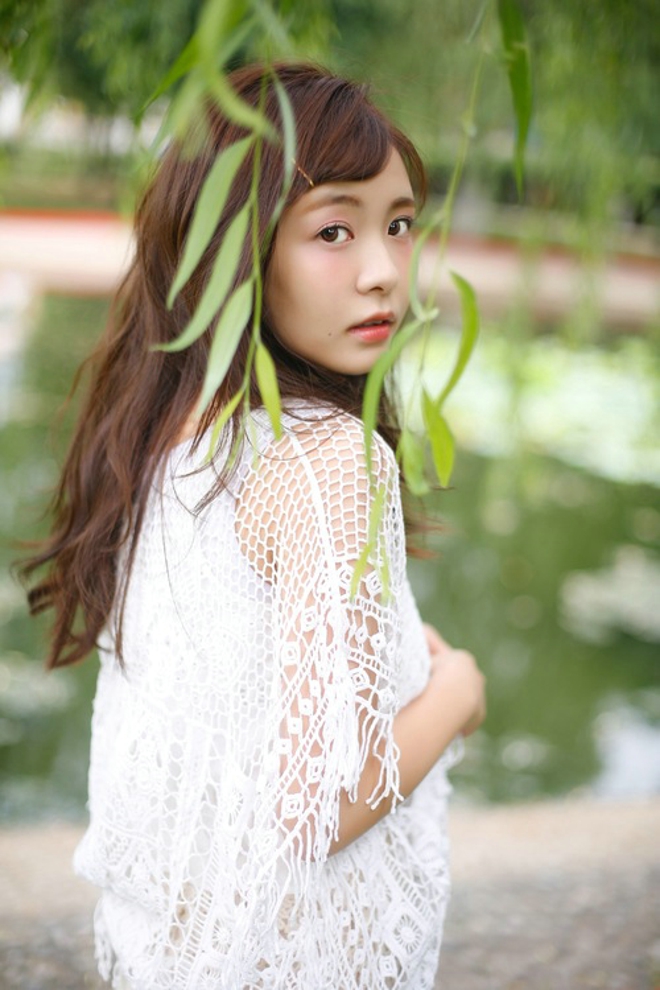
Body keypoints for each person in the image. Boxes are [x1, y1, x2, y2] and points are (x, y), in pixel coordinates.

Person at [22, 62, 486, 990]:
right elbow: (320, 807)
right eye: (333, 230)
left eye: (399, 224)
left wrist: (395, 647)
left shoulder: (165, 424)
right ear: (240, 250)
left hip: (175, 952)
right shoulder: (329, 459)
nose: (382, 271)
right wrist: (458, 692)